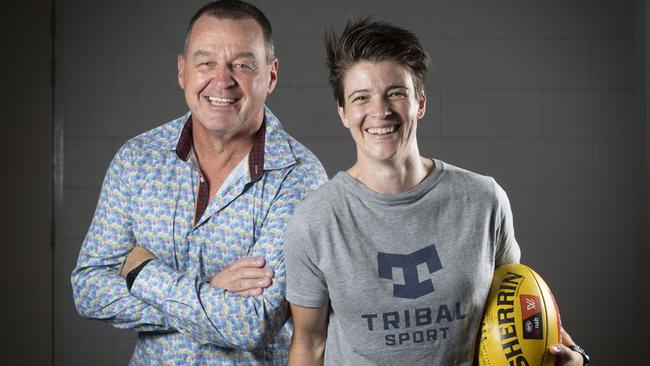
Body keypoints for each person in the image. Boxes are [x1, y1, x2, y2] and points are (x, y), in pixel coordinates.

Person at [285, 19, 589, 366]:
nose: (379, 111)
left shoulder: (484, 201)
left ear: (420, 103)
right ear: (343, 112)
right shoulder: (315, 220)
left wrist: (575, 357)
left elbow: (516, 313)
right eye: (361, 98)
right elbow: (309, 344)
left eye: (396, 93)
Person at [71, 1, 327, 364]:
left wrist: (142, 272)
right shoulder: (137, 160)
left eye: (242, 64)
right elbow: (88, 289)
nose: (222, 80)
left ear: (270, 75)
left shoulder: (300, 177)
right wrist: (208, 290)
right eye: (206, 62)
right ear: (182, 71)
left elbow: (255, 322)